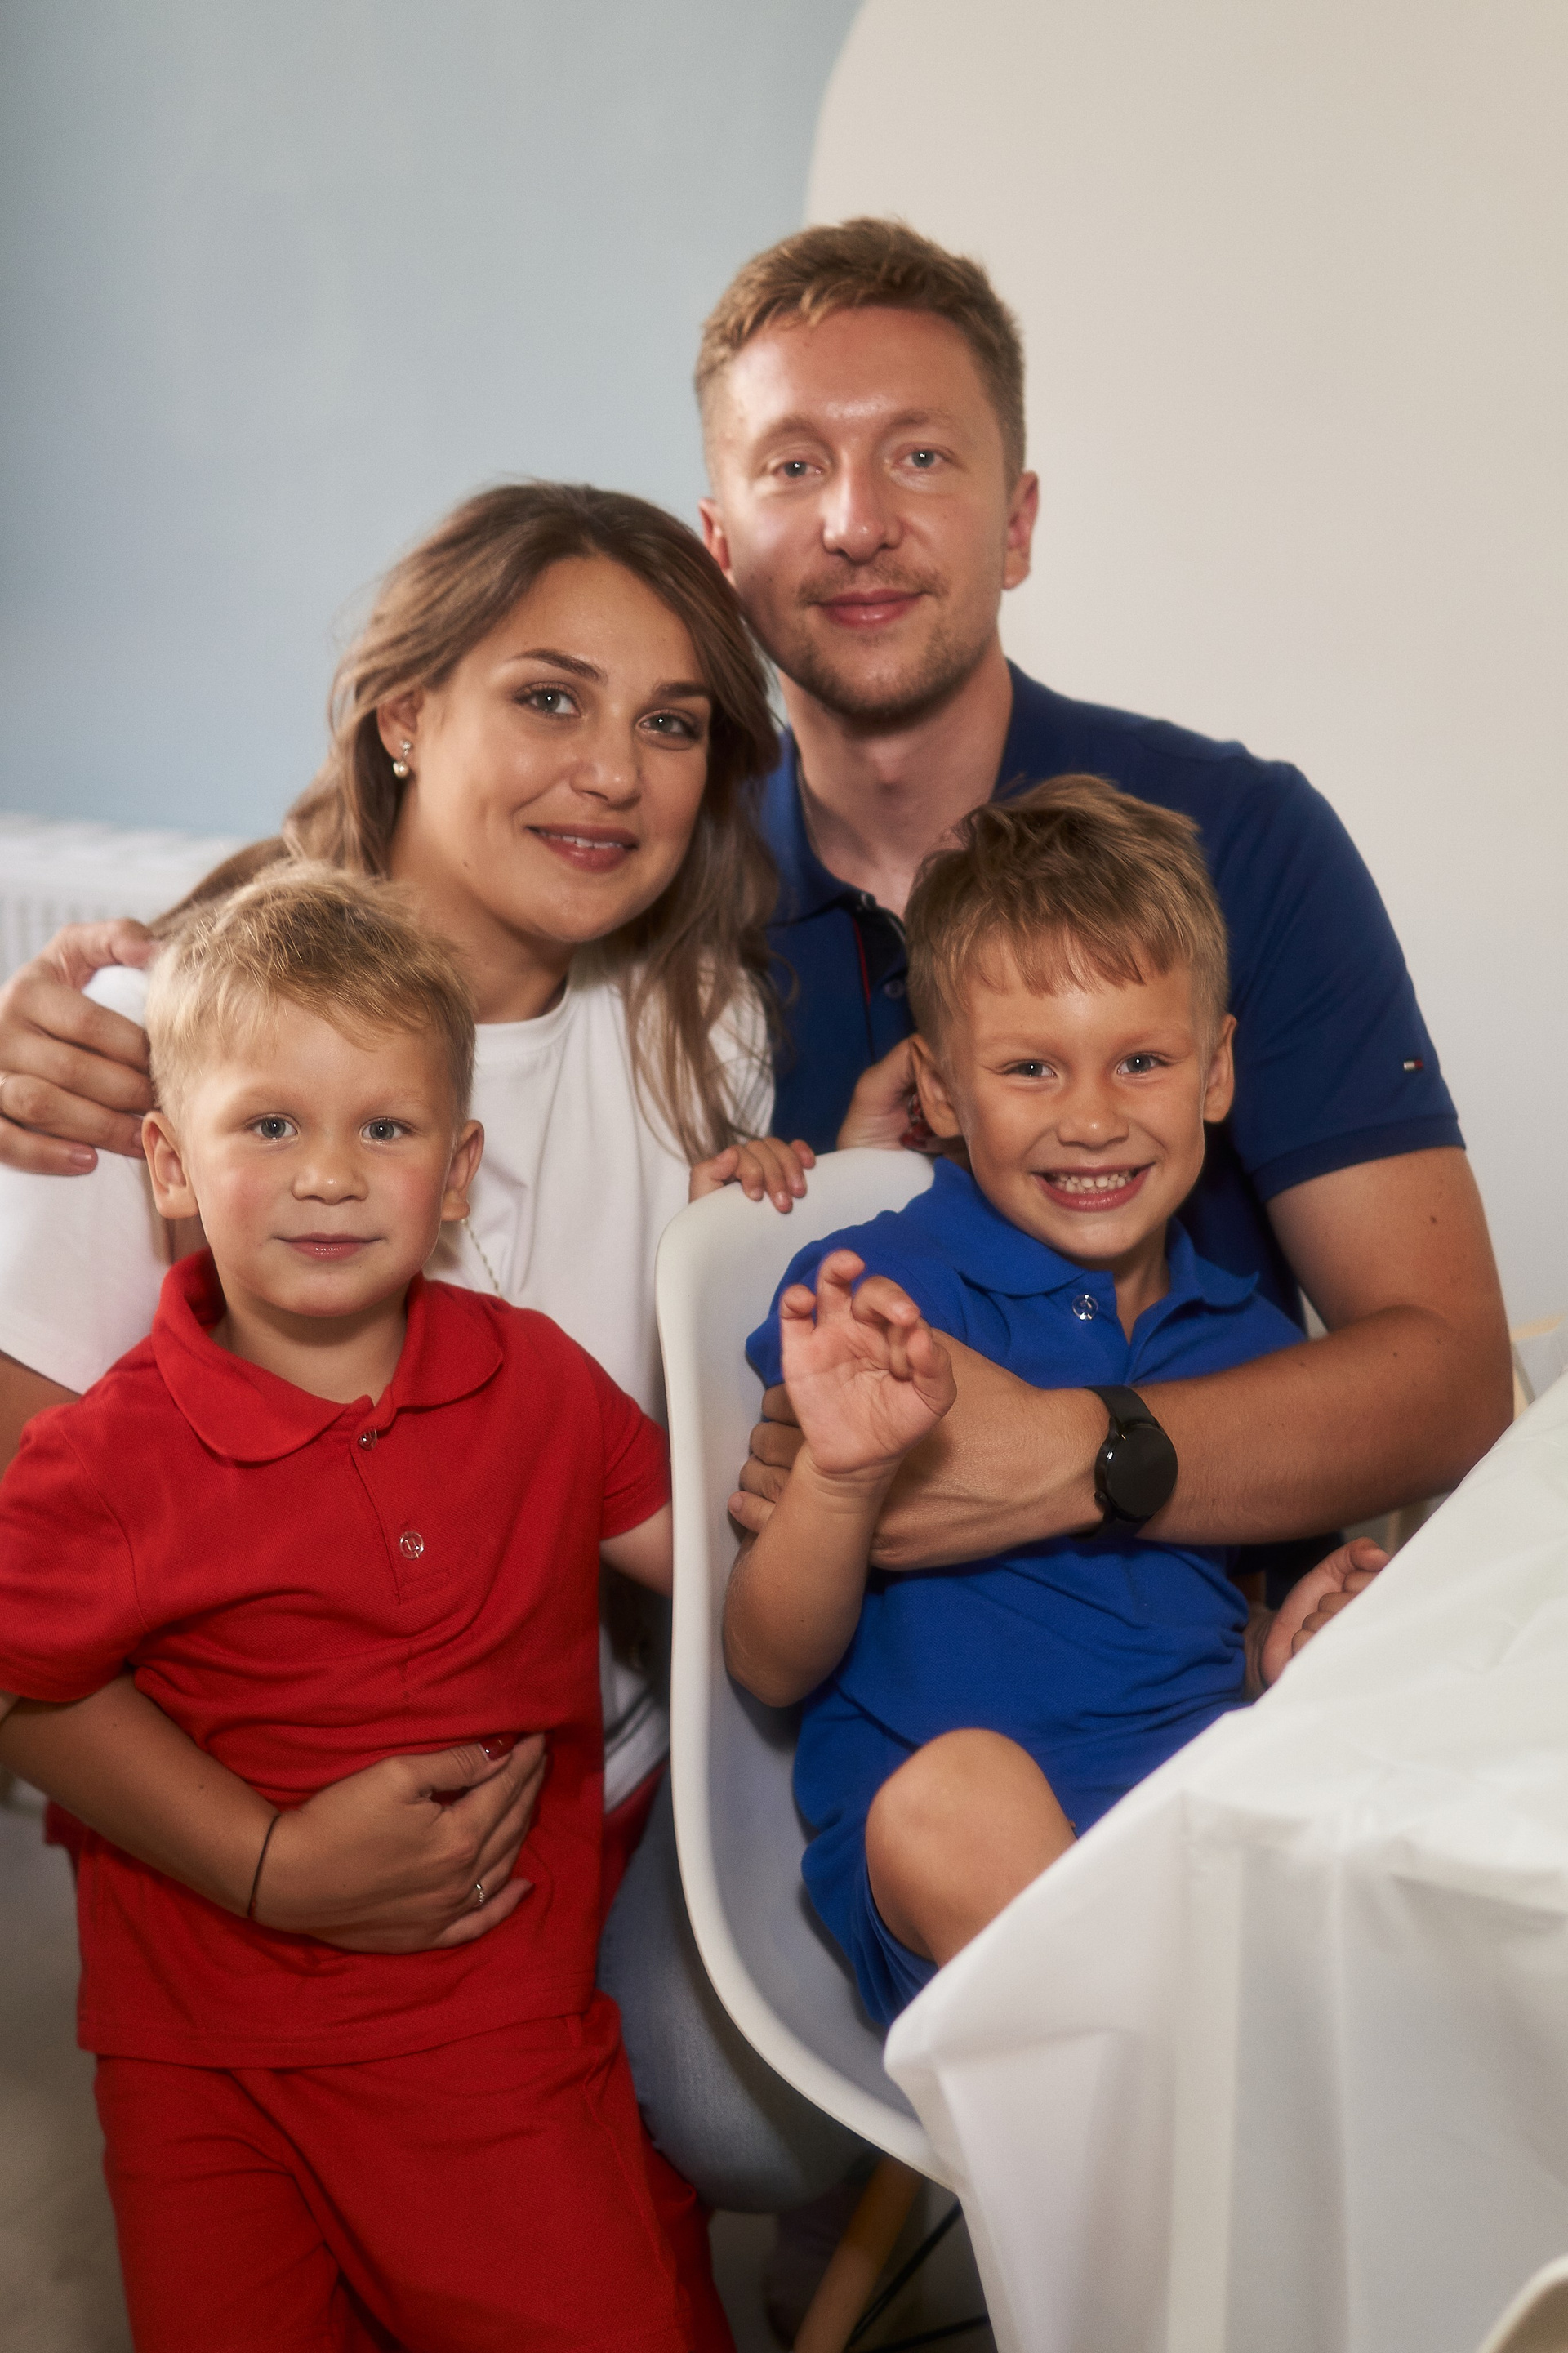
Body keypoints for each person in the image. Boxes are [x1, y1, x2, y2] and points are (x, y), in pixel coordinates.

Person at [0, 483, 859, 2265]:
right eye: (548, 697)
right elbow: (31, 1597)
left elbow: (689, 1497)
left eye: (672, 724)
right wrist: (265, 1854)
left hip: (582, 1801)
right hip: (227, 1815)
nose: (612, 772)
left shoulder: (700, 1034)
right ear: (405, 712)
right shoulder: (160, 1035)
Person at [690, 217, 1512, 1595]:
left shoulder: (1239, 839)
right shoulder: (656, 895)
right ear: (722, 546)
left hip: (1228, 1681)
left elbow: (1454, 1378)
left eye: (921, 456)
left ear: (1017, 527)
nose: (857, 523)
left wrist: (1076, 1455)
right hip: (821, 1709)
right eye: (794, 465)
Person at [0, 868, 713, 2351]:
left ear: (456, 1172)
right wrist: (261, 1861)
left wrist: (840, 1445)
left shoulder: (545, 1384)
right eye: (270, 1124)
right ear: (169, 1162)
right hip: (195, 2059)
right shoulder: (103, 1455)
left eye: (383, 1129)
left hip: (488, 2033)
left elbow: (734, 1577)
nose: (328, 1175)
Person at [729, 780, 1386, 2024]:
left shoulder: (1251, 1340)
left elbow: (1176, 1626)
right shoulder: (875, 1301)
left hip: (1188, 1850)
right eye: (1031, 1068)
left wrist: (1276, 1660)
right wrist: (843, 1482)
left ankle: (1216, 2067)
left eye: (1141, 1061)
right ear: (939, 1090)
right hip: (955, 1875)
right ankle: (1180, 2086)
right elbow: (766, 1663)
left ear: (1216, 1070)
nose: (1092, 1118)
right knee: (957, 1796)